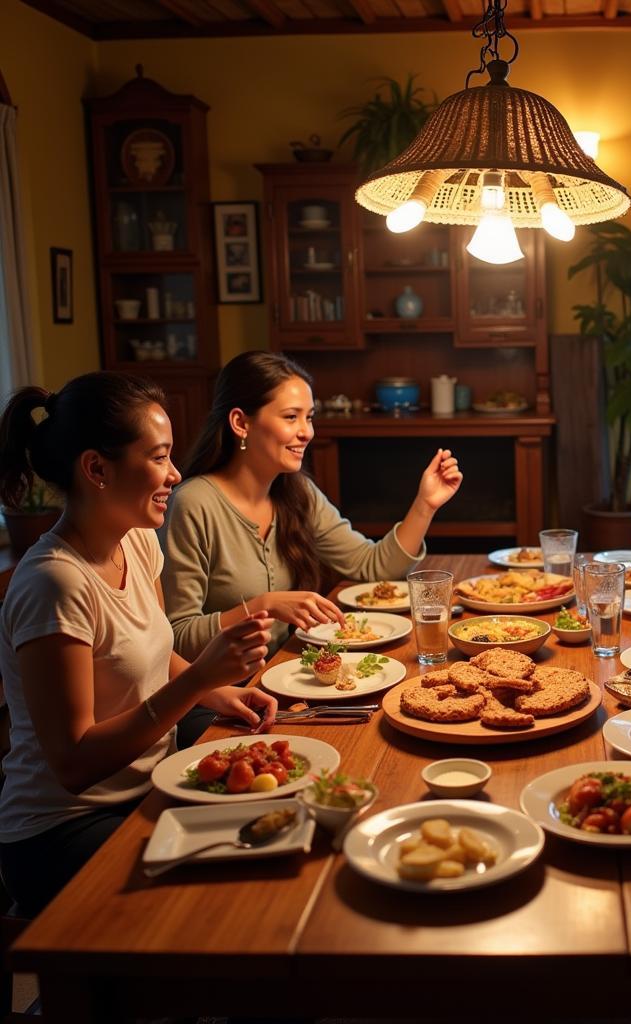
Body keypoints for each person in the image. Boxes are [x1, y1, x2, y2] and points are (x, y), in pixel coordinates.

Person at [0, 373, 276, 915]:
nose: (175, 473)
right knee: (243, 897)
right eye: (159, 457)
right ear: (97, 469)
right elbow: (74, 762)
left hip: (145, 785)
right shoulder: (54, 584)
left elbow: (153, 649)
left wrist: (221, 695)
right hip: (64, 829)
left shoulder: (139, 540)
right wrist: (201, 678)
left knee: (275, 829)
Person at [161, 352, 463, 663]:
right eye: (291, 417)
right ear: (241, 422)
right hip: (223, 698)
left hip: (287, 673)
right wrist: (262, 605)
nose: (308, 432)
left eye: (309, 417)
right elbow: (177, 639)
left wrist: (425, 505)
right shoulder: (192, 504)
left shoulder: (297, 492)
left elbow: (372, 566)